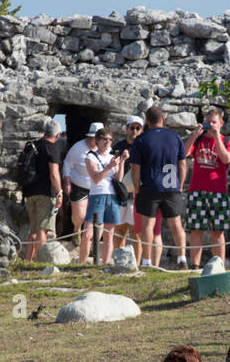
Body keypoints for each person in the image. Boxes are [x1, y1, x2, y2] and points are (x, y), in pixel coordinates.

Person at [130, 104, 188, 270]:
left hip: (150, 186)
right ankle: (182, 258)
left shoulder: (141, 139)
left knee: (148, 225)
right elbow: (182, 164)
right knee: (176, 224)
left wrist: (137, 187)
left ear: (147, 121)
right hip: (171, 186)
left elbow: (135, 167)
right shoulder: (175, 137)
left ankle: (147, 261)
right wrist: (180, 185)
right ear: (163, 119)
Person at [184, 106, 230, 267]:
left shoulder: (228, 142)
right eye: (208, 122)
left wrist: (217, 137)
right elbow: (184, 154)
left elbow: (226, 159)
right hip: (196, 190)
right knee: (195, 229)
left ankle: (218, 265)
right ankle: (194, 266)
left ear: (221, 123)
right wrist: (194, 136)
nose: (210, 125)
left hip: (218, 192)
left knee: (218, 231)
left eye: (213, 122)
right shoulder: (199, 140)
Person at [80, 127, 123, 264]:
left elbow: (118, 179)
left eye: (110, 140)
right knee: (88, 234)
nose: (108, 142)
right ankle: (81, 263)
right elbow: (96, 178)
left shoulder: (112, 157)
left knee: (108, 235)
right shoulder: (90, 156)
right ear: (97, 141)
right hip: (97, 195)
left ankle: (104, 265)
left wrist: (122, 163)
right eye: (105, 139)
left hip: (112, 196)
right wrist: (109, 167)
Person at [23, 119, 63, 262]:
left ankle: (27, 261)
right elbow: (54, 173)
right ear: (57, 135)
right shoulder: (52, 148)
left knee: (33, 229)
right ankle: (42, 260)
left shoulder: (33, 145)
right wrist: (59, 192)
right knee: (42, 229)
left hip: (29, 192)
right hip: (45, 193)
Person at [63, 122, 103, 255]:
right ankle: (76, 229)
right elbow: (67, 164)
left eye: (97, 138)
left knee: (93, 218)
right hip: (79, 185)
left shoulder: (106, 149)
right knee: (79, 216)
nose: (94, 141)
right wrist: (67, 182)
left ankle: (90, 242)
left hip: (97, 188)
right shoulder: (78, 147)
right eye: (92, 138)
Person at [111, 116, 145, 260]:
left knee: (136, 232)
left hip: (136, 194)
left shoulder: (144, 146)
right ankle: (119, 261)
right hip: (120, 194)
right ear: (127, 128)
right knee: (119, 231)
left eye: (138, 128)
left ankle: (136, 263)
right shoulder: (118, 147)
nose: (135, 131)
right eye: (132, 128)